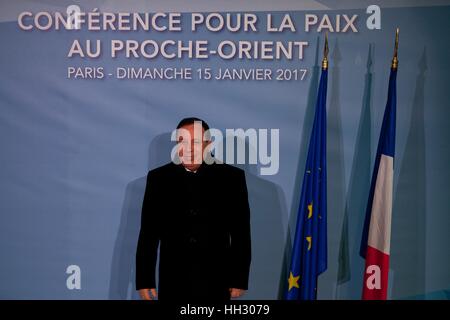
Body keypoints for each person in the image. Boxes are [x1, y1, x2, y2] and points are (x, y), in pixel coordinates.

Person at [135, 117, 251, 301]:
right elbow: (148, 234)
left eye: (195, 142)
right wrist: (144, 279)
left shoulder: (231, 178)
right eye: (182, 141)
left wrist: (239, 278)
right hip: (173, 280)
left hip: (216, 281)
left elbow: (241, 233)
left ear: (208, 144)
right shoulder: (159, 178)